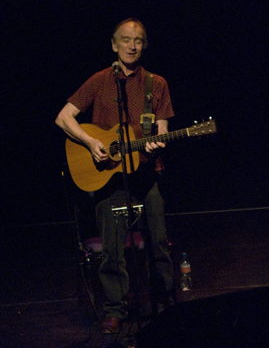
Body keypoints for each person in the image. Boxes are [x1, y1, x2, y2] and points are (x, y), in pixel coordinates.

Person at [55, 18, 174, 334]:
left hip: (147, 172)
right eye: (126, 39)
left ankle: (164, 304)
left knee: (159, 241)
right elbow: (63, 117)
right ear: (114, 44)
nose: (132, 45)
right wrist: (92, 142)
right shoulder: (99, 81)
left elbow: (161, 128)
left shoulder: (156, 84)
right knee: (112, 248)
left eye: (138, 40)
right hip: (108, 175)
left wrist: (158, 141)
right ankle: (115, 310)